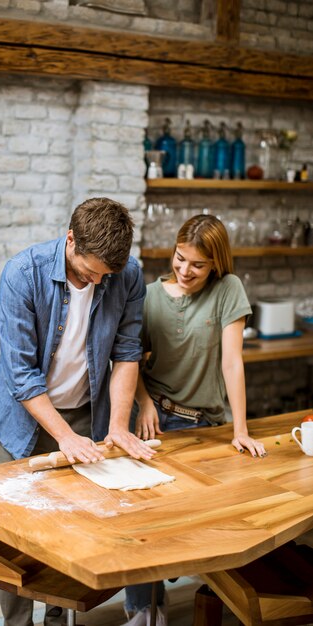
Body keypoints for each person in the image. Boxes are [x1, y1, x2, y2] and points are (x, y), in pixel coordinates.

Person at [0, 197, 156, 626]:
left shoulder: (127, 275)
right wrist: (64, 436)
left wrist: (117, 425)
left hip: (85, 413)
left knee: (70, 528)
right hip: (22, 419)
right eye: (90, 271)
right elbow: (21, 375)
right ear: (71, 239)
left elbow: (127, 351)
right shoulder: (22, 274)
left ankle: (57, 619)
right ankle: (17, 623)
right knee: (17, 533)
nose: (98, 281)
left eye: (106, 275)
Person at [123, 213, 266, 626]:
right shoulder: (150, 296)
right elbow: (129, 359)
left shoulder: (228, 290)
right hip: (154, 421)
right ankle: (144, 611)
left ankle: (222, 596)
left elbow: (232, 362)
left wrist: (240, 429)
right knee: (144, 516)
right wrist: (145, 403)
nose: (185, 270)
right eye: (179, 258)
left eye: (197, 265)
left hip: (207, 425)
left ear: (216, 264)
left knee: (205, 519)